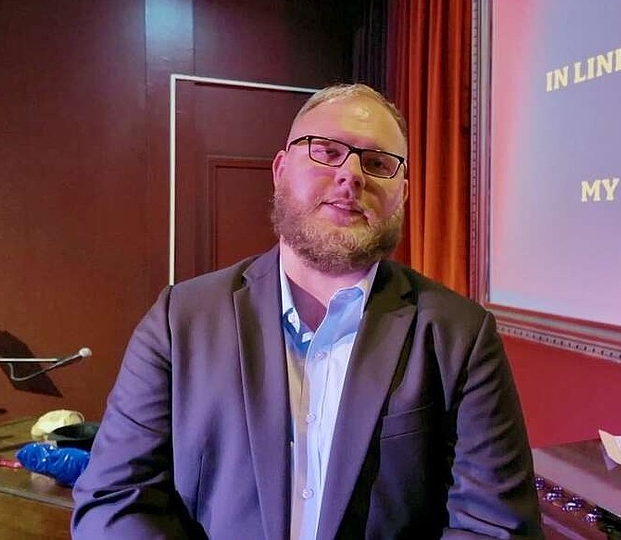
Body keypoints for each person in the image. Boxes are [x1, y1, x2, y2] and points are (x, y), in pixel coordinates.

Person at [71, 83, 543, 539]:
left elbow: (495, 526)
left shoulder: (460, 334)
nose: (351, 175)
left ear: (402, 194)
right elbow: (114, 500)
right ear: (280, 170)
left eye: (377, 162)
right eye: (326, 150)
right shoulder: (180, 321)